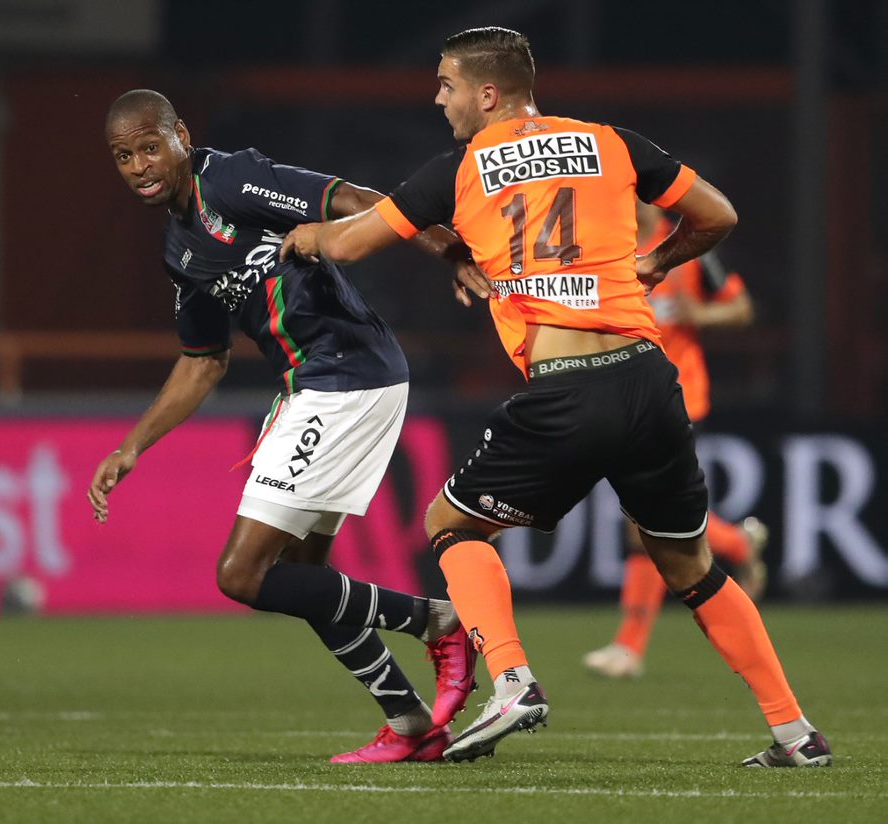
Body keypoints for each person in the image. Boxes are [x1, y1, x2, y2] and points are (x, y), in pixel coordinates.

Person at [281, 28, 831, 767]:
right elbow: (718, 215)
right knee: (692, 567)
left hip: (569, 390)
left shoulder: (461, 168)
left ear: (487, 92)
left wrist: (302, 234)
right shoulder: (612, 143)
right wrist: (655, 262)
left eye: (446, 84)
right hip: (647, 377)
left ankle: (510, 682)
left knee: (450, 524)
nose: (437, 97)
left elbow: (348, 244)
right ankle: (795, 733)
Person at [88, 89, 477, 764]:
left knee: (241, 574)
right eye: (123, 156)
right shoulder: (180, 249)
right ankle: (412, 724)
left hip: (346, 375)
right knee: (303, 575)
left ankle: (439, 621)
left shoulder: (232, 179)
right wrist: (132, 448)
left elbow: (355, 199)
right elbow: (202, 363)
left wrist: (449, 252)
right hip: (317, 386)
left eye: (150, 147)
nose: (138, 166)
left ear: (181, 135)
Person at [584, 201, 768, 679]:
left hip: (679, 396)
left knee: (642, 521)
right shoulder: (607, 241)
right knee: (654, 518)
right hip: (624, 396)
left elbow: (742, 307)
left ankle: (628, 647)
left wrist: (699, 314)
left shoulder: (686, 247)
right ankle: (736, 543)